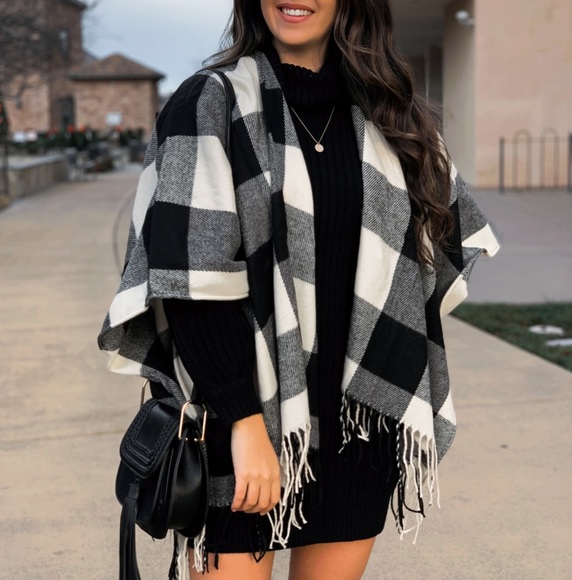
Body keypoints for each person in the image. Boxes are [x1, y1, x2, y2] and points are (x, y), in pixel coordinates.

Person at [98, 1, 500, 578]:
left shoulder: (390, 113)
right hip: (242, 424)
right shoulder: (208, 103)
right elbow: (190, 282)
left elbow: (427, 259)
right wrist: (243, 425)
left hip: (361, 421)